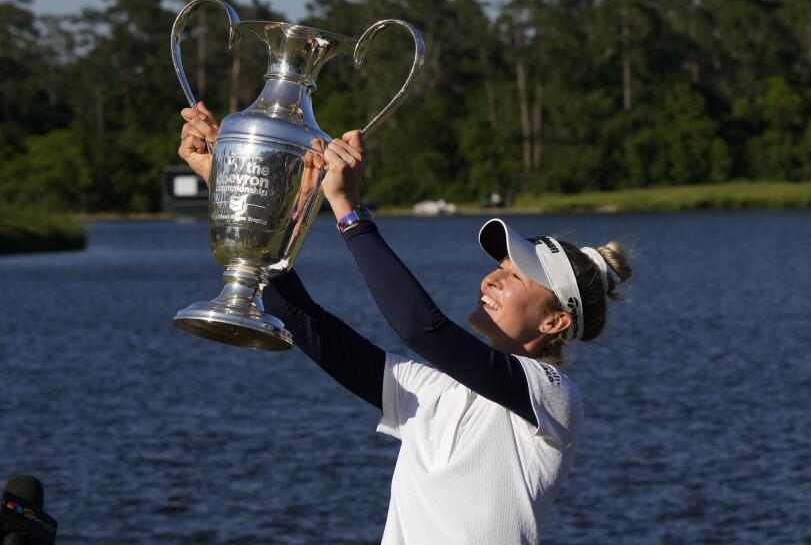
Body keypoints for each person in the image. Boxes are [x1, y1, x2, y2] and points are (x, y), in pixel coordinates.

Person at [179, 104, 632, 544]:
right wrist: (237, 194)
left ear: (555, 321)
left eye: (516, 276)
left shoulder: (552, 395)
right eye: (499, 266)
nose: (492, 278)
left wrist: (348, 210)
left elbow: (421, 328)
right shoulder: (433, 390)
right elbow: (301, 318)